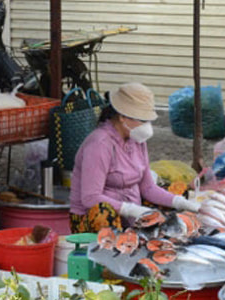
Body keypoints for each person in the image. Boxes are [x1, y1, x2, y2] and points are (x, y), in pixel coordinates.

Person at [69, 82, 196, 233]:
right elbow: (90, 198)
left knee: (176, 192)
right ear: (122, 117)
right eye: (143, 120)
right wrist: (131, 209)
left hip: (131, 212)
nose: (147, 126)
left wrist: (181, 202)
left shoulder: (137, 140)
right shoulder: (99, 144)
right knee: (103, 211)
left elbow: (148, 187)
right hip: (94, 218)